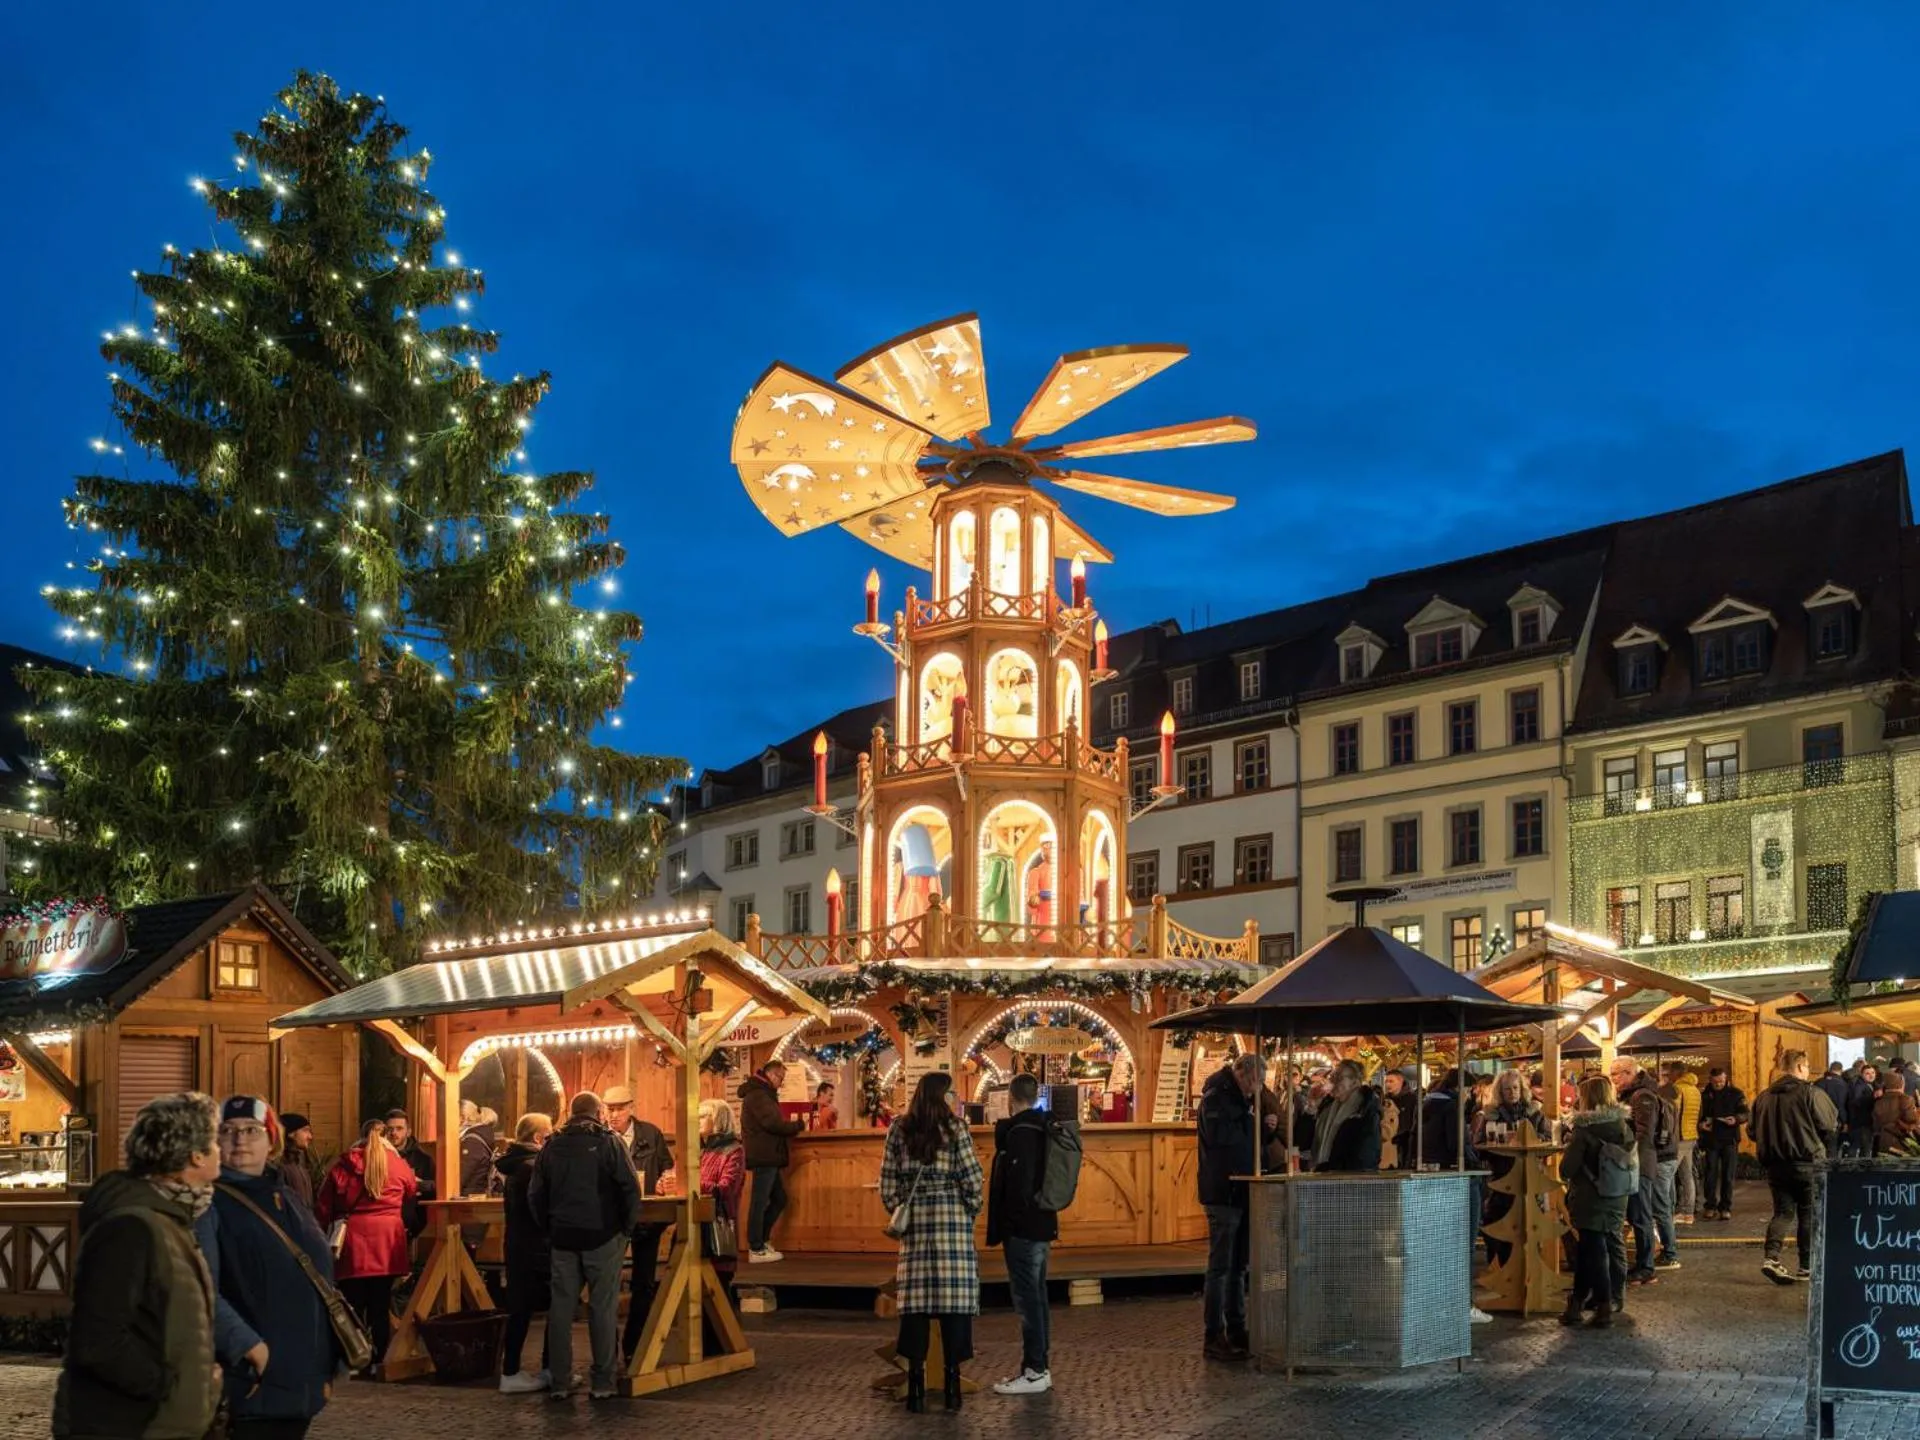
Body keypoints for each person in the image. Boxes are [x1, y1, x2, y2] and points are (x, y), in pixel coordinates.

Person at [55, 1092, 222, 1440]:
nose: (222, 1150)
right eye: (215, 1142)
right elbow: (98, 1342)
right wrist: (168, 1384)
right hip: (127, 1426)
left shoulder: (171, 1220)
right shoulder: (131, 1227)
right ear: (195, 1155)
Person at [206, 1096, 338, 1439]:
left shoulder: (286, 1197)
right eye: (228, 1130)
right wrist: (253, 1350)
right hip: (249, 1384)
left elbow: (318, 1275)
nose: (240, 1139)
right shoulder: (208, 1204)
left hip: (300, 1384)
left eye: (252, 1130)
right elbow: (199, 1291)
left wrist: (329, 1358)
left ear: (272, 1140)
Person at [878, 1072, 985, 1413]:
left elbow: (887, 1183)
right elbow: (973, 1180)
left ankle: (916, 1388)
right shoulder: (956, 1128)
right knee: (955, 1307)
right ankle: (953, 1387)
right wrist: (968, 1210)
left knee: (916, 1308)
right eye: (952, 1092)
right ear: (943, 1096)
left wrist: (901, 1209)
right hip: (952, 1223)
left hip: (916, 1227)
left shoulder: (899, 1128)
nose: (955, 1098)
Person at [531, 1090, 641, 1401]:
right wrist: (626, 1229)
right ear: (598, 1112)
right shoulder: (609, 1142)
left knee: (561, 1310)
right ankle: (603, 1382)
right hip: (603, 1235)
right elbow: (631, 1188)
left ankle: (560, 1382)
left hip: (563, 1238)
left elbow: (535, 1194)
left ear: (571, 1112)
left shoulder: (551, 1145)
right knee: (602, 1309)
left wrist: (549, 1229)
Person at [314, 1118, 417, 1372]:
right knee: (380, 1306)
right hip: (387, 1241)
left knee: (353, 1305)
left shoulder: (344, 1164)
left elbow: (324, 1206)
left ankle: (354, 1358)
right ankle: (378, 1360)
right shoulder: (397, 1163)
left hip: (354, 1242)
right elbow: (411, 1190)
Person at [986, 1072, 1056, 1396]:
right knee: (1037, 1298)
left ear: (1010, 1099)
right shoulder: (1043, 1128)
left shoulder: (1020, 1133)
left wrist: (1010, 1224)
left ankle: (1035, 1370)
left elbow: (1019, 1186)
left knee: (1028, 1301)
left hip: (1023, 1229)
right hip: (1042, 1224)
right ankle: (1039, 1366)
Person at [1198, 1054, 1269, 1362]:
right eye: (1255, 1081)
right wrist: (1248, 1118)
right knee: (1221, 1267)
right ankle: (1214, 1334)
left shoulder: (1240, 1100)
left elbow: (1250, 1140)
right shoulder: (1217, 1097)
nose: (1257, 1088)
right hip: (1224, 1191)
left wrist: (1262, 1125)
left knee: (1237, 1265)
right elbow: (1222, 1138)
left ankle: (1237, 1328)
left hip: (1240, 1190)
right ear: (1241, 1074)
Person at [1751, 1049, 1839, 1285]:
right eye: (1807, 1067)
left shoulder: (1763, 1097)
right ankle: (1806, 1266)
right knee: (1808, 1213)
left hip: (1775, 1166)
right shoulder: (1811, 1093)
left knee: (1782, 1212)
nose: (1808, 1071)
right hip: (1808, 1164)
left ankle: (1771, 1258)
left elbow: (1752, 1131)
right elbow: (1829, 1125)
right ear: (1800, 1067)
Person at [601, 1085, 669, 1364]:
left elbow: (667, 1167)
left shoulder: (651, 1134)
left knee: (643, 1284)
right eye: (609, 1108)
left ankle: (634, 1347)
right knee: (606, 1285)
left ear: (631, 1108)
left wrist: (665, 1181)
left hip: (646, 1219)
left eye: (619, 1108)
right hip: (610, 1222)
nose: (614, 1114)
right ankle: (608, 1352)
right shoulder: (601, 1138)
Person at [1560, 1075, 1633, 1329]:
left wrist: (1570, 1146)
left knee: (1595, 1253)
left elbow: (1566, 1170)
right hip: (1617, 1195)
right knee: (1589, 1250)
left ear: (1588, 1098)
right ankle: (1576, 1304)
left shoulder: (1584, 1130)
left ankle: (1603, 1307)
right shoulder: (1623, 1126)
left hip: (1590, 1199)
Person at [496, 1112, 553, 1394]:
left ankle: (512, 1369)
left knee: (519, 1309)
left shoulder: (513, 1165)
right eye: (550, 1133)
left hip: (517, 1245)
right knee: (557, 1306)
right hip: (537, 1247)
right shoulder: (533, 1167)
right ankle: (549, 1369)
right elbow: (541, 1209)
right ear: (539, 1137)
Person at [1611, 1059, 1677, 1281]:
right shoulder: (1634, 1094)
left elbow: (1644, 1134)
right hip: (1635, 1162)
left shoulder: (1642, 1096)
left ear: (1629, 1072)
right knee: (1637, 1214)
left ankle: (1646, 1267)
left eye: (1616, 1074)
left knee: (1641, 1215)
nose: (1613, 1079)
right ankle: (1643, 1263)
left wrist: (1629, 1157)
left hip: (1639, 1163)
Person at [1476, 1069, 1547, 1267]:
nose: (1512, 1092)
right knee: (1497, 1226)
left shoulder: (1534, 1112)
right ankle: (1501, 1269)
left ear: (1522, 1089)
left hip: (1529, 1177)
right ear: (1500, 1091)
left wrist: (1530, 1139)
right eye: (1507, 1089)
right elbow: (1479, 1145)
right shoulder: (1491, 1114)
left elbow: (1546, 1139)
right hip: (1501, 1177)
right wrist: (1498, 1143)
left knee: (1529, 1226)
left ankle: (1527, 1270)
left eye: (1515, 1088)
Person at [738, 1059, 804, 1262]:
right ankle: (756, 1247)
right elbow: (772, 1123)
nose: (781, 1083)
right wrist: (797, 1126)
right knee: (759, 1201)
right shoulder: (759, 1094)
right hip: (764, 1154)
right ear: (771, 1075)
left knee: (779, 1199)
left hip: (767, 1154)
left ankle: (762, 1240)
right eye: (780, 1078)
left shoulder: (761, 1093)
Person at [696, 1098, 746, 1340]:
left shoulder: (734, 1150)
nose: (697, 1120)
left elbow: (727, 1188)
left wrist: (694, 1184)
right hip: (695, 1229)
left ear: (719, 1120)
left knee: (718, 1294)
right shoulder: (698, 1150)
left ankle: (723, 1344)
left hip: (718, 1230)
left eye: (703, 1116)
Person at [1312, 1060, 1383, 1173]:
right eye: (1332, 1076)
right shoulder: (1327, 1107)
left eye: (1339, 1078)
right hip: (1323, 1177)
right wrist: (1311, 1106)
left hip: (1349, 1180)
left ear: (1355, 1083)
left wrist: (1329, 1168)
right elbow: (1304, 1141)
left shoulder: (1364, 1112)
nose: (1332, 1081)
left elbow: (1365, 1158)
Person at [1697, 1067, 1748, 1220]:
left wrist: (1736, 1119)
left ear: (1726, 1079)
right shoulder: (1704, 1095)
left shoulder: (1736, 1094)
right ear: (1710, 1080)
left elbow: (1745, 1113)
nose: (1719, 1084)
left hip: (1730, 1140)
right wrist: (1701, 1125)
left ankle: (1725, 1207)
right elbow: (1698, 1115)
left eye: (1721, 1081)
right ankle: (1710, 1206)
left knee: (1728, 1175)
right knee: (1710, 1174)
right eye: (1715, 1082)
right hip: (1711, 1140)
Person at [1661, 1064, 1702, 1225]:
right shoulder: (1695, 1089)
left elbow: (1671, 1114)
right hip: (1691, 1136)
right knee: (1687, 1175)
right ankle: (1688, 1213)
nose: (1668, 1076)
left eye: (1669, 1073)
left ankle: (1668, 1211)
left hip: (1679, 1137)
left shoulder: (1677, 1089)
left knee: (1668, 1174)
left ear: (1677, 1072)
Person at [383, 1109, 434, 1237]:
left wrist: (418, 1185)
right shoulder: (378, 1157)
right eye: (390, 1129)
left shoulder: (423, 1159)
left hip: (412, 1223)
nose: (394, 1133)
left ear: (408, 1132)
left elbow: (434, 1188)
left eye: (399, 1128)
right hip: (384, 1220)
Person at [277, 1112, 318, 1213]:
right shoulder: (279, 1165)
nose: (310, 1137)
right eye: (305, 1131)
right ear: (291, 1133)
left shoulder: (302, 1163)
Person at [1873, 1069, 1920, 1155]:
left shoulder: (1878, 1101)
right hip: (1902, 1140)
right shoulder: (1906, 1099)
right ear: (1900, 1083)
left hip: (1883, 1140)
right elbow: (1911, 1120)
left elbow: (1875, 1123)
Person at [1381, 1069, 1415, 1169]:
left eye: (1391, 1081)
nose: (1388, 1084)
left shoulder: (1412, 1099)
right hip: (1388, 1144)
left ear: (1400, 1081)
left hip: (1405, 1144)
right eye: (1386, 1081)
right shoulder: (1385, 1100)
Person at [1845, 1064, 1880, 1158]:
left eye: (1873, 1073)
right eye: (1867, 1073)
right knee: (1863, 1149)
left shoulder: (1872, 1085)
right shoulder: (1859, 1086)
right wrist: (1874, 1097)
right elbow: (1857, 1102)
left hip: (1865, 1123)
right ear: (1861, 1074)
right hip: (1862, 1123)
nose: (1871, 1075)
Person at [1814, 1063, 1849, 1158]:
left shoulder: (1818, 1083)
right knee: (1832, 1148)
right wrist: (1845, 1121)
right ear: (1841, 1070)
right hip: (1834, 1121)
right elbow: (1841, 1105)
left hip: (1817, 1119)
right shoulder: (1842, 1084)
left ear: (1830, 1069)